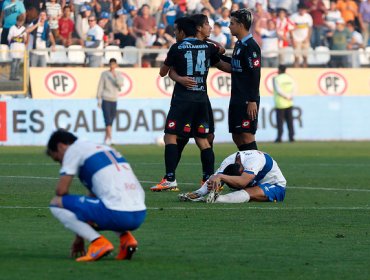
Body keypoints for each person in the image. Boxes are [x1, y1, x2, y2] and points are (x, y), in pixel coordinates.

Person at [150, 16, 230, 192]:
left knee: (170, 136)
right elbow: (222, 51)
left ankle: (170, 178)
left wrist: (177, 76)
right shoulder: (208, 47)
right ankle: (208, 179)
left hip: (183, 100)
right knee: (202, 140)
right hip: (201, 99)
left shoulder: (177, 47)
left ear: (182, 32)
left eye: (176, 31)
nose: (175, 34)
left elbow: (163, 72)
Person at [47, 129, 146, 262]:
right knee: (104, 203)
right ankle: (126, 239)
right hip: (139, 214)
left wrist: (87, 235)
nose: (60, 163)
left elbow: (61, 191)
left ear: (61, 146)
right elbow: (93, 200)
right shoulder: (102, 147)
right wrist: (80, 237)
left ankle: (99, 243)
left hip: (118, 214)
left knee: (56, 203)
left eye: (57, 158)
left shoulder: (73, 150)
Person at [178, 149, 286, 203]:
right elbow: (215, 177)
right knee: (242, 188)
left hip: (275, 185)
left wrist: (222, 177)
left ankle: (219, 199)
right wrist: (199, 193)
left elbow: (243, 182)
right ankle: (211, 198)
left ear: (242, 169)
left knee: (250, 192)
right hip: (253, 182)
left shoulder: (254, 160)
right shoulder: (229, 161)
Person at [227, 8, 261, 151]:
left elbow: (255, 74)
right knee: (236, 134)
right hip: (236, 96)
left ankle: (256, 169)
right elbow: (232, 66)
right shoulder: (239, 44)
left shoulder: (251, 46)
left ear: (241, 25)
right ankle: (247, 166)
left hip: (247, 99)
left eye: (232, 23)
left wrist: (252, 100)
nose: (229, 26)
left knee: (246, 135)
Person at [97, 58, 124, 145]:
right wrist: (99, 99)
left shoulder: (119, 74)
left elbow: (120, 84)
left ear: (116, 65)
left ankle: (106, 139)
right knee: (107, 119)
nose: (112, 66)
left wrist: (115, 76)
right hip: (106, 98)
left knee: (111, 120)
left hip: (114, 99)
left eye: (114, 64)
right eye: (111, 64)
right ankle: (110, 138)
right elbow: (100, 86)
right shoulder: (104, 74)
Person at [273, 64, 295, 143]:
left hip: (280, 103)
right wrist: (290, 96)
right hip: (289, 102)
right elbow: (294, 88)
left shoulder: (277, 78)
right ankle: (291, 137)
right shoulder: (290, 78)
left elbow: (278, 90)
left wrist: (285, 96)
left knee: (280, 123)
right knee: (290, 122)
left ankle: (279, 138)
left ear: (279, 70)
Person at [289, 3, 313, 68]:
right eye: (301, 9)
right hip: (296, 39)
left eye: (304, 9)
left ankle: (305, 71)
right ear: (298, 9)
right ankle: (296, 71)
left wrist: (308, 38)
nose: (302, 11)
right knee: (297, 57)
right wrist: (293, 39)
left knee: (305, 57)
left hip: (305, 39)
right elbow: (290, 29)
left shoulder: (308, 17)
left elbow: (310, 28)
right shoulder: (293, 17)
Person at [7, 14, 27, 80]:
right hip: (14, 46)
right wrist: (15, 37)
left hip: (21, 47)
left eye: (21, 21)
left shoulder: (24, 28)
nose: (20, 22)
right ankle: (12, 76)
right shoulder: (12, 27)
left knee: (18, 62)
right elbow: (9, 38)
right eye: (19, 21)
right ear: (17, 21)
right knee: (14, 61)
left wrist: (24, 38)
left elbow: (25, 39)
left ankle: (16, 76)